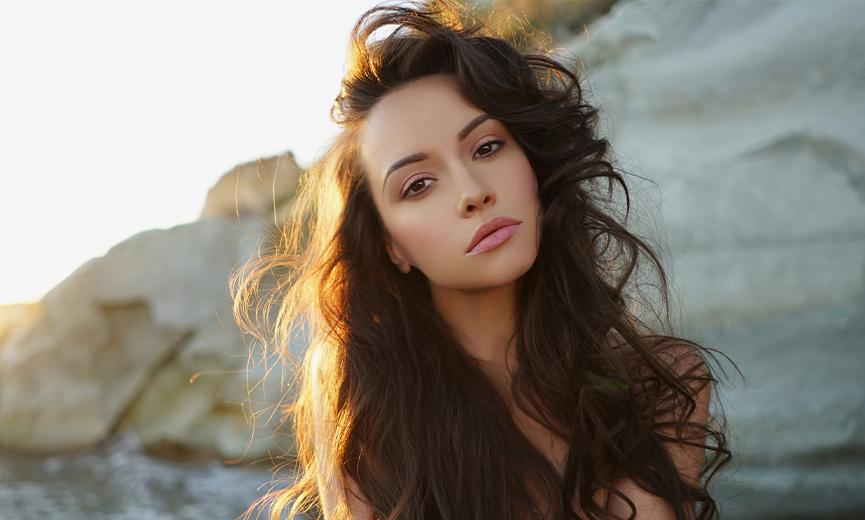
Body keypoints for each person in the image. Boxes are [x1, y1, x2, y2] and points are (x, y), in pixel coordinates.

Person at [234, 1, 731, 519]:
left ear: (534, 164)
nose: (472, 193)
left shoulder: (663, 383)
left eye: (488, 147)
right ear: (391, 246)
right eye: (418, 184)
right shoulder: (369, 406)